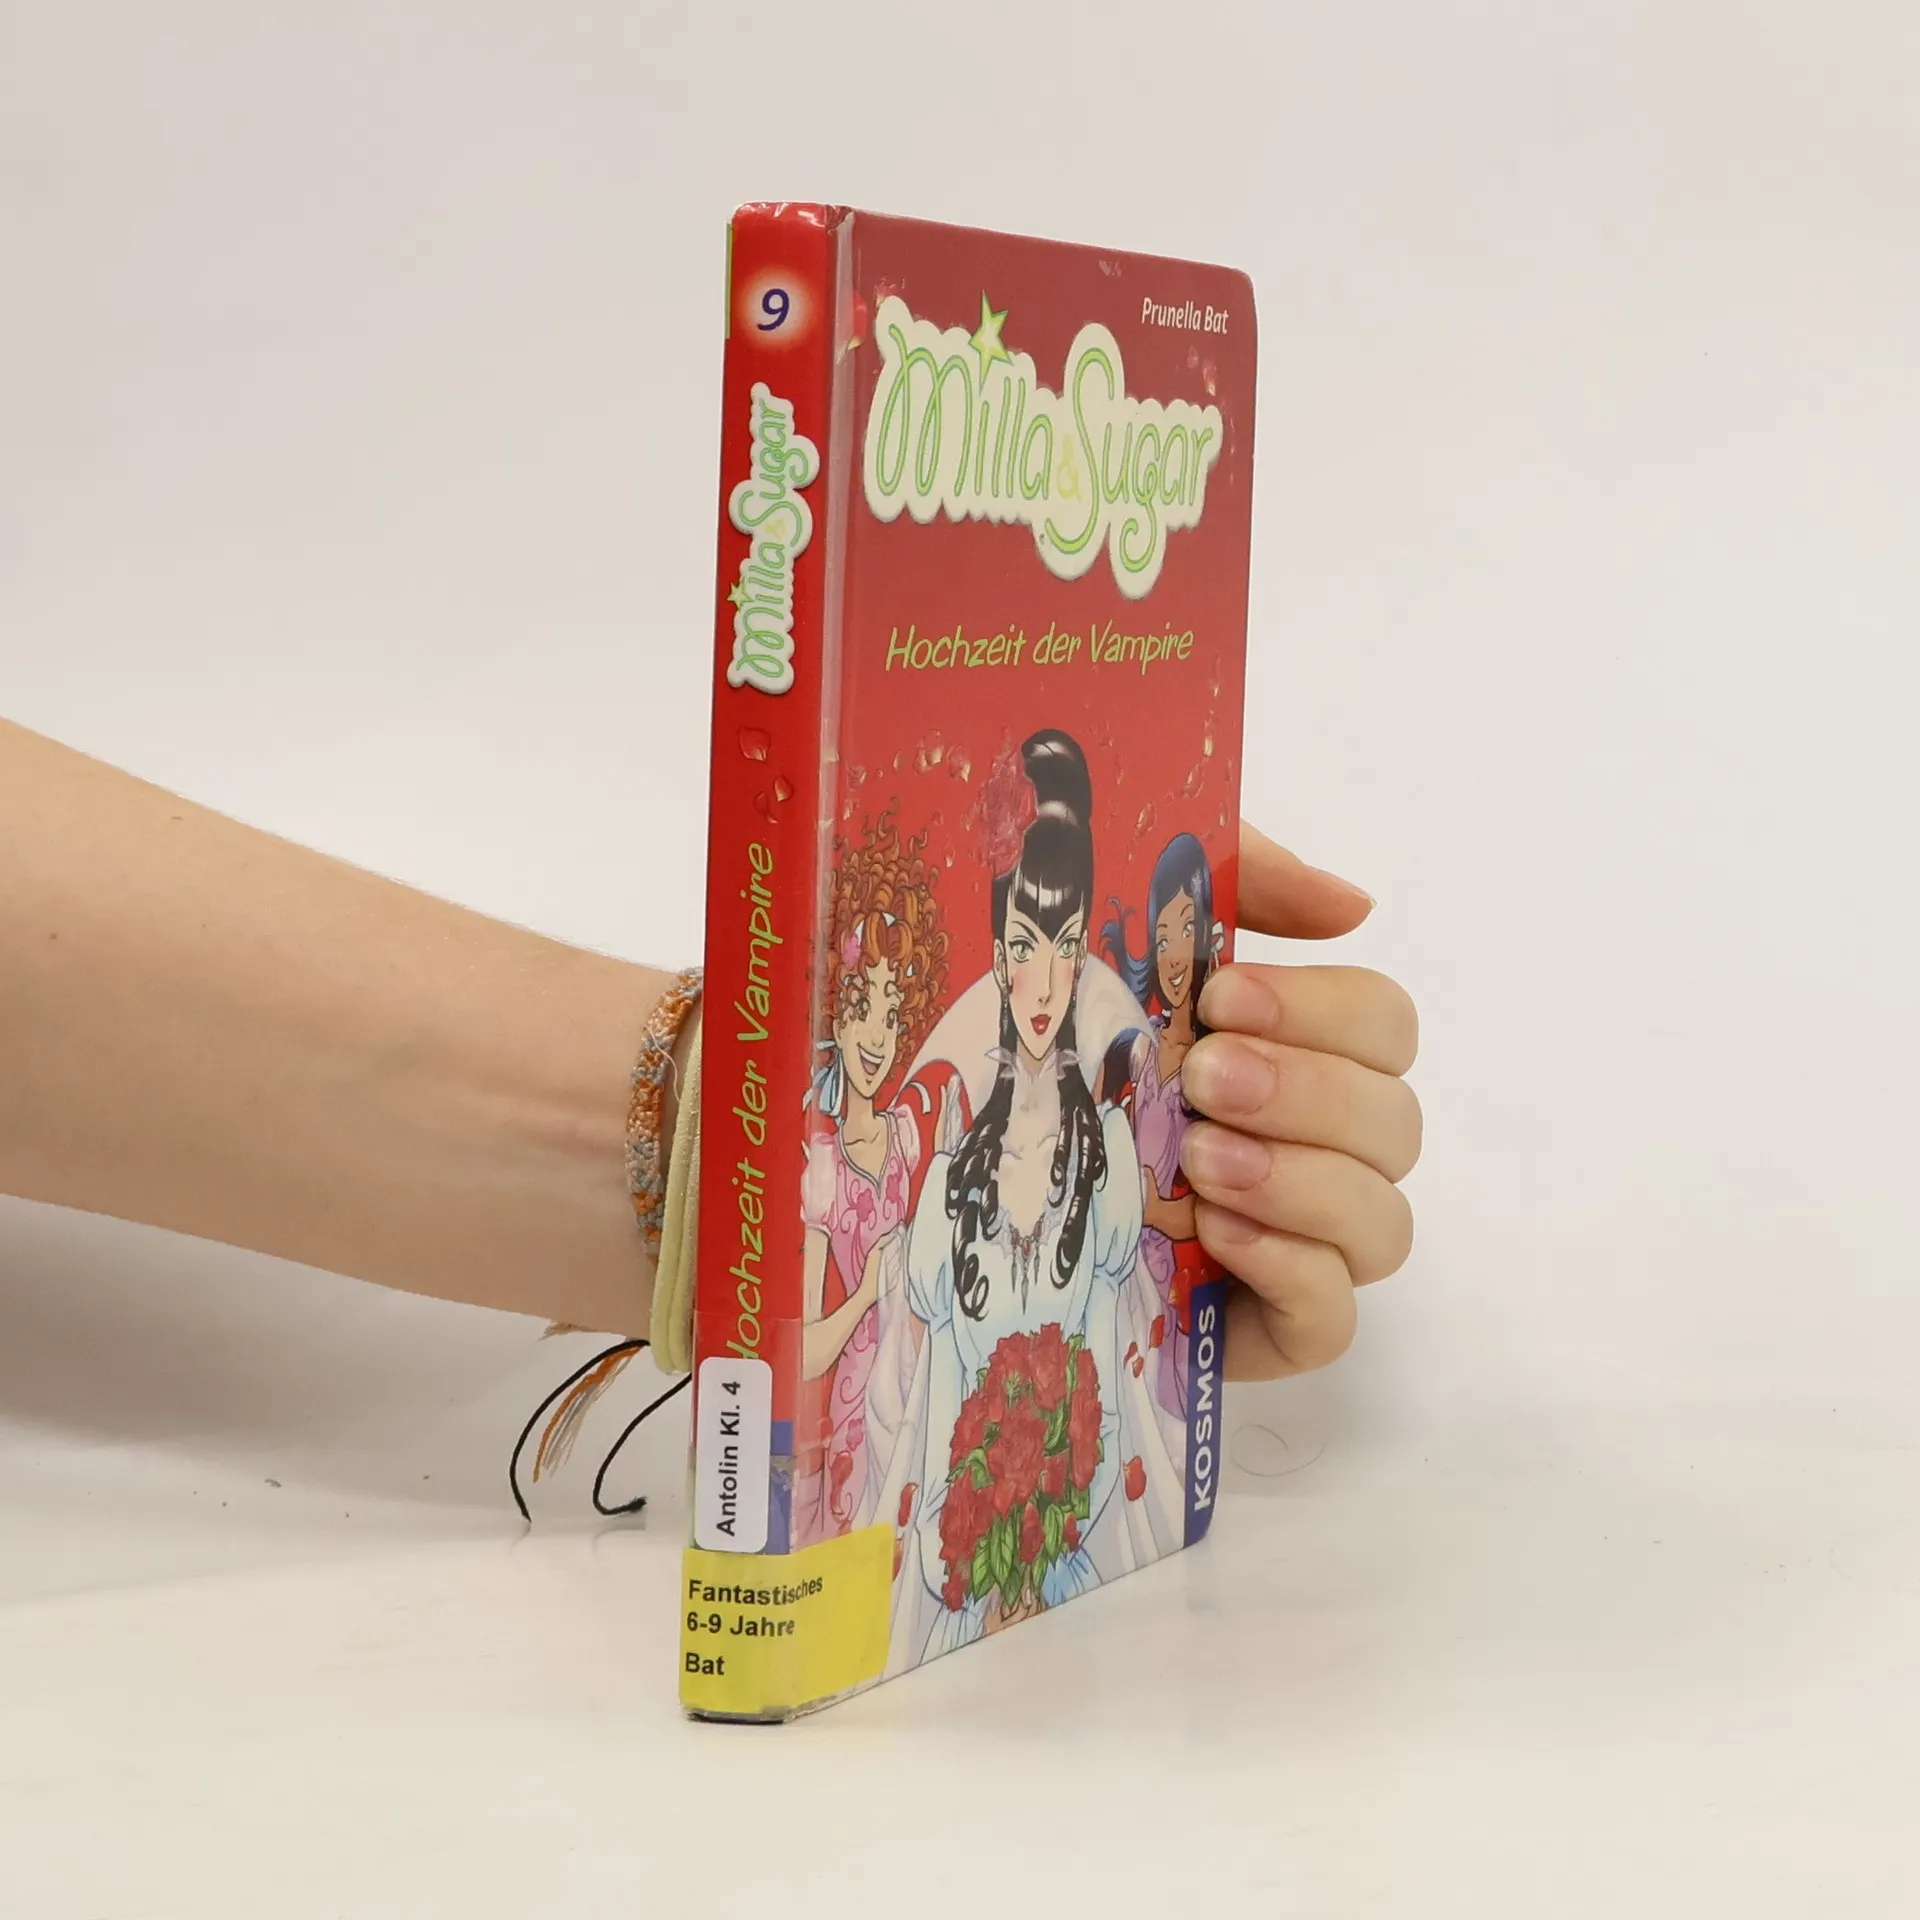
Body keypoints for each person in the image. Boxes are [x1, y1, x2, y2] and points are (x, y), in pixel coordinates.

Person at [0, 716, 1421, 1415]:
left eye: (1065, 943)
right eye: (1023, 942)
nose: (1043, 981)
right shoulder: (932, 1104)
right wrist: (735, 1168)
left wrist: (1154, 1246)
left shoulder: (1034, 1089)